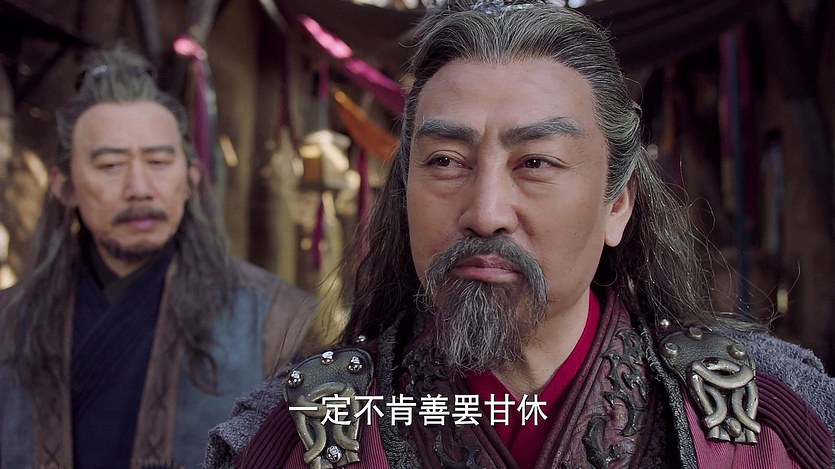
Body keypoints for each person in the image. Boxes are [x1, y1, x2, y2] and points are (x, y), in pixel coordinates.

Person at [205, 1, 835, 467]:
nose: (485, 213)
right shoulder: (301, 432)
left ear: (617, 204)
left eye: (536, 162)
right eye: (445, 161)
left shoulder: (764, 417)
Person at [0, 46, 318, 468]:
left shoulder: (278, 323)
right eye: (111, 165)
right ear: (64, 186)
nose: (139, 188)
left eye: (159, 161)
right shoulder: (10, 322)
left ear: (190, 178)